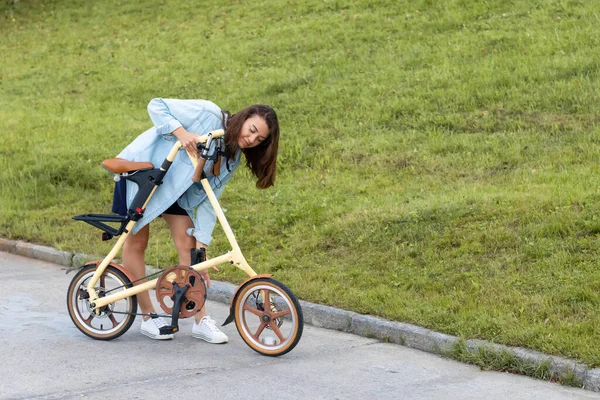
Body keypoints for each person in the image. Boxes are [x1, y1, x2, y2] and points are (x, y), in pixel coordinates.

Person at [112, 98, 279, 342]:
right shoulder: (207, 114)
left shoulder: (232, 157)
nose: (252, 140)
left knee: (190, 253)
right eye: (252, 130)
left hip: (176, 190)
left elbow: (209, 202)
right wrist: (182, 133)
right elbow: (156, 105)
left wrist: (203, 248)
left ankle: (201, 321)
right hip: (142, 174)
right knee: (137, 243)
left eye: (259, 140)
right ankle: (148, 317)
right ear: (244, 118)